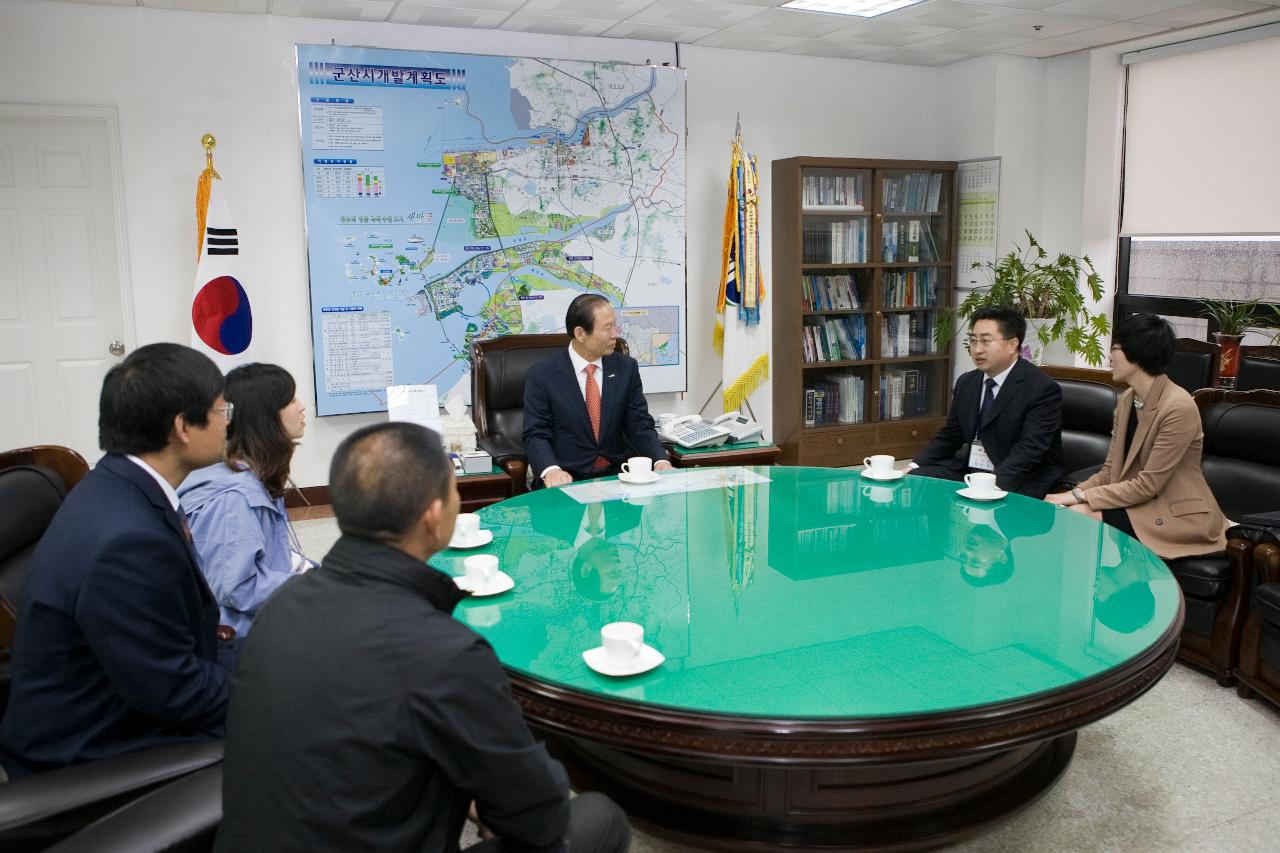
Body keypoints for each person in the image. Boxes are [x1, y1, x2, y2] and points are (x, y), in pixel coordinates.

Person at [216, 422, 630, 853]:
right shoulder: (445, 652)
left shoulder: (282, 605)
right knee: (599, 818)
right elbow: (540, 817)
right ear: (435, 517)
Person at [0, 343, 233, 779]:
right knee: (303, 725)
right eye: (224, 410)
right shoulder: (128, 543)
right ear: (183, 426)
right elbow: (176, 693)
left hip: (117, 701)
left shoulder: (114, 485)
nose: (228, 423)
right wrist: (276, 681)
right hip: (90, 753)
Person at [1046, 314, 1229, 559]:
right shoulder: (1128, 400)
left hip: (1173, 510)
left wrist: (1077, 496)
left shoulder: (1178, 407)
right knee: (1067, 509)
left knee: (1079, 514)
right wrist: (1074, 492)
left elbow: (1148, 485)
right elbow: (1109, 471)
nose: (1109, 356)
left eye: (1114, 348)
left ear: (1138, 352)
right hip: (1140, 502)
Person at [179, 363, 310, 636]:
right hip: (244, 638)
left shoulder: (255, 474)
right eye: (291, 399)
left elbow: (273, 558)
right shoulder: (233, 499)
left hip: (269, 619)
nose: (301, 407)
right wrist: (311, 586)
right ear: (265, 416)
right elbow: (237, 588)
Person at [911, 305, 1065, 498]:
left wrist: (990, 486)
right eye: (973, 341)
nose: (977, 349)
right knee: (917, 479)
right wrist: (912, 465)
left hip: (1021, 476)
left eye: (985, 341)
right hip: (973, 472)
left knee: (989, 508)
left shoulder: (1041, 389)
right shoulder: (967, 382)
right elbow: (950, 435)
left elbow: (1029, 450)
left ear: (1012, 344)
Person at [524, 293, 672, 488]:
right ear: (580, 334)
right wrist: (551, 470)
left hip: (619, 475)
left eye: (614, 325)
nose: (615, 334)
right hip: (566, 477)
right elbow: (536, 434)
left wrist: (660, 460)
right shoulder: (543, 375)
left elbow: (639, 425)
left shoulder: (626, 369)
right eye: (607, 328)